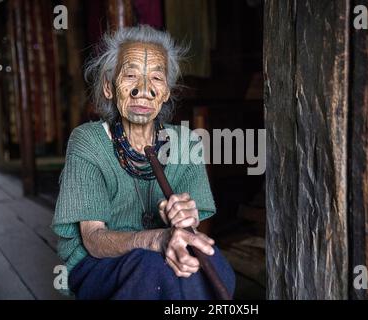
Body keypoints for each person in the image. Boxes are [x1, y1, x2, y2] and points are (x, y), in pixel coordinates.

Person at [51, 25, 235, 300]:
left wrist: (185, 222)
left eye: (157, 78)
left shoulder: (186, 142)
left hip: (158, 260)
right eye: (130, 75)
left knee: (212, 265)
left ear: (166, 92)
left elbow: (189, 233)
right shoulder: (87, 141)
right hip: (97, 261)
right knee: (153, 268)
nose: (143, 90)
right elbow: (93, 239)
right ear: (109, 87)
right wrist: (156, 239)